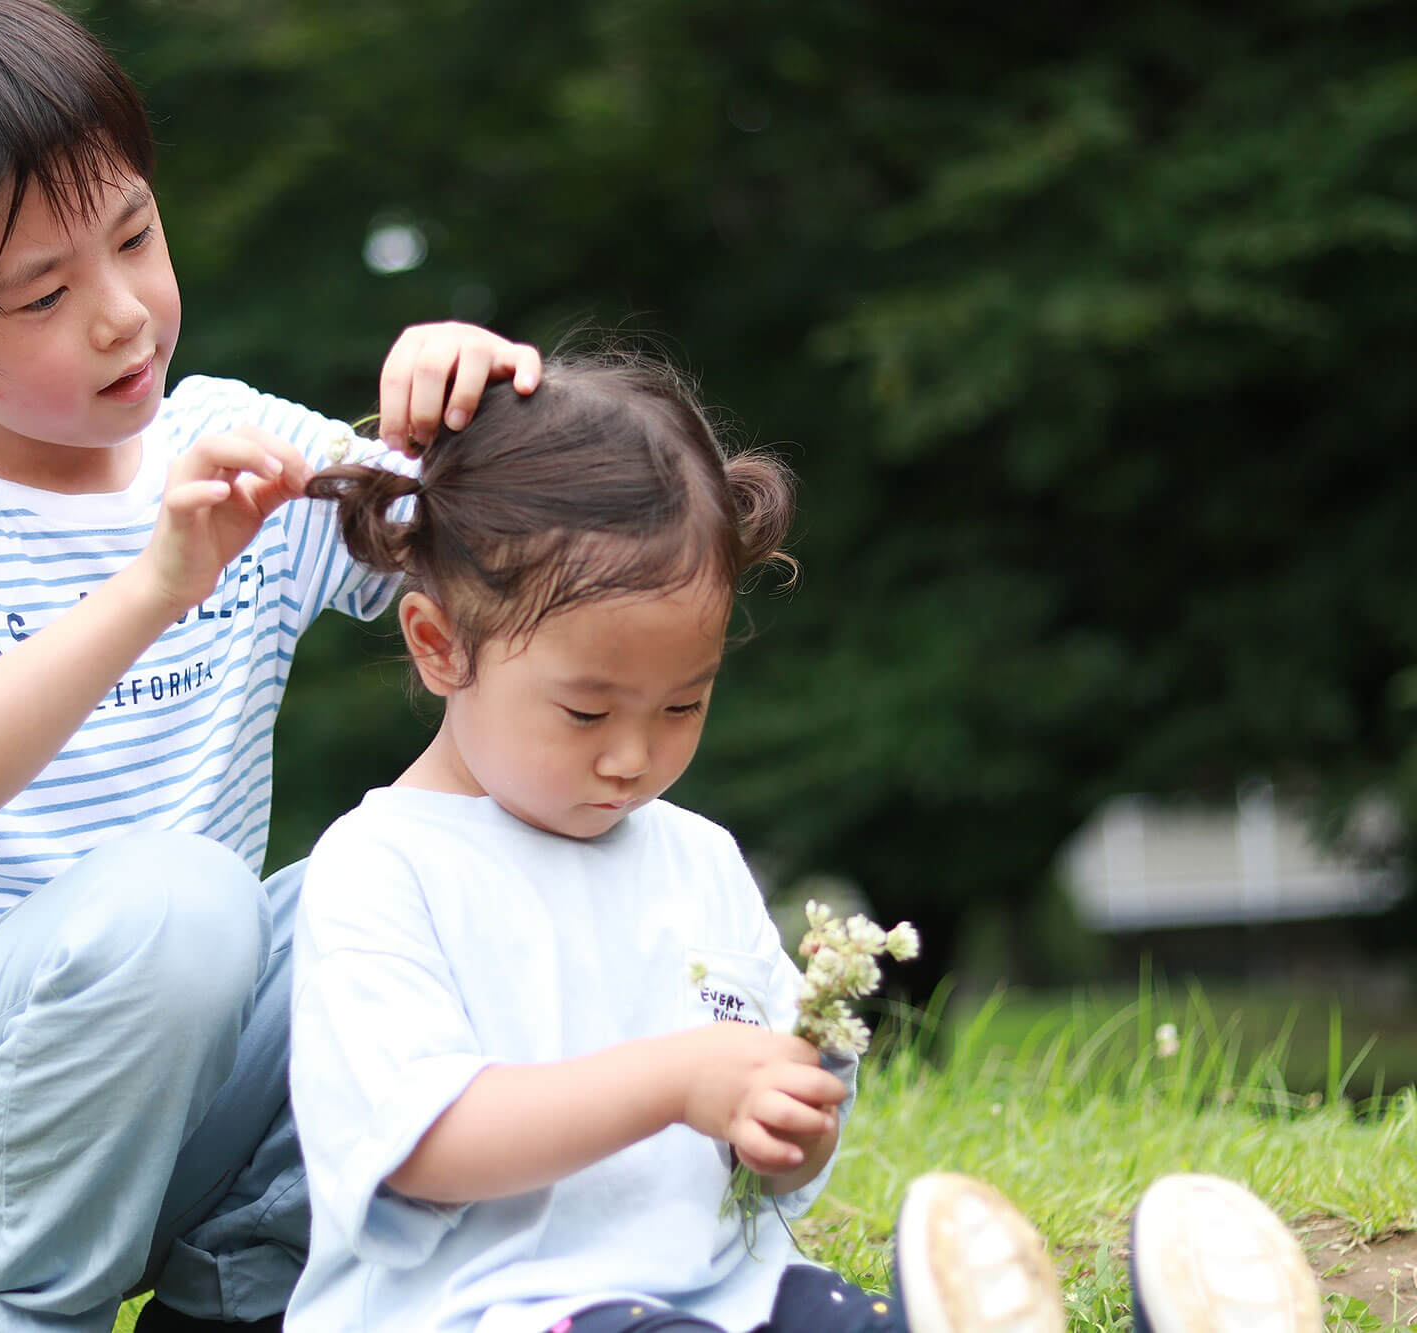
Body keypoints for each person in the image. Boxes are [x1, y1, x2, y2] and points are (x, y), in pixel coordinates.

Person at [0, 2, 541, 1330]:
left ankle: (239, 1294)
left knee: (444, 872)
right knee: (186, 899)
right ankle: (15, 1309)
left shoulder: (232, 436)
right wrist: (155, 585)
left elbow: (529, 564)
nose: (122, 314)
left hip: (176, 1103)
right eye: (46, 294)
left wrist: (476, 406)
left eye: (134, 238)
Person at [286, 351, 1325, 1333]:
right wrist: (680, 1078)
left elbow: (761, 1151)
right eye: (586, 713)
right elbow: (419, 1143)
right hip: (484, 1309)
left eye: (683, 705)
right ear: (437, 645)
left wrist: (784, 1129)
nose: (632, 758)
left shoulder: (694, 859)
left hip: (714, 1293)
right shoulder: (382, 869)